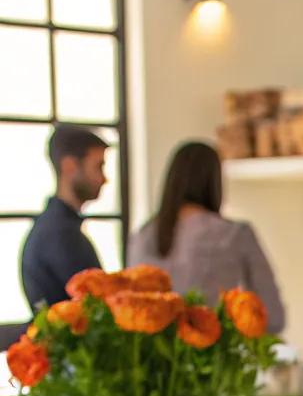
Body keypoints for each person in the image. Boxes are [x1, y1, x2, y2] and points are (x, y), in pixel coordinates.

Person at [128, 140, 285, 333]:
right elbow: (273, 317)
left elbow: (129, 309)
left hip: (149, 360)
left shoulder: (143, 235)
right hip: (216, 356)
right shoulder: (234, 235)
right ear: (215, 181)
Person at [19, 125, 108, 318]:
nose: (104, 179)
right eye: (98, 166)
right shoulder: (60, 234)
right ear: (70, 166)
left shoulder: (54, 227)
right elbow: (98, 308)